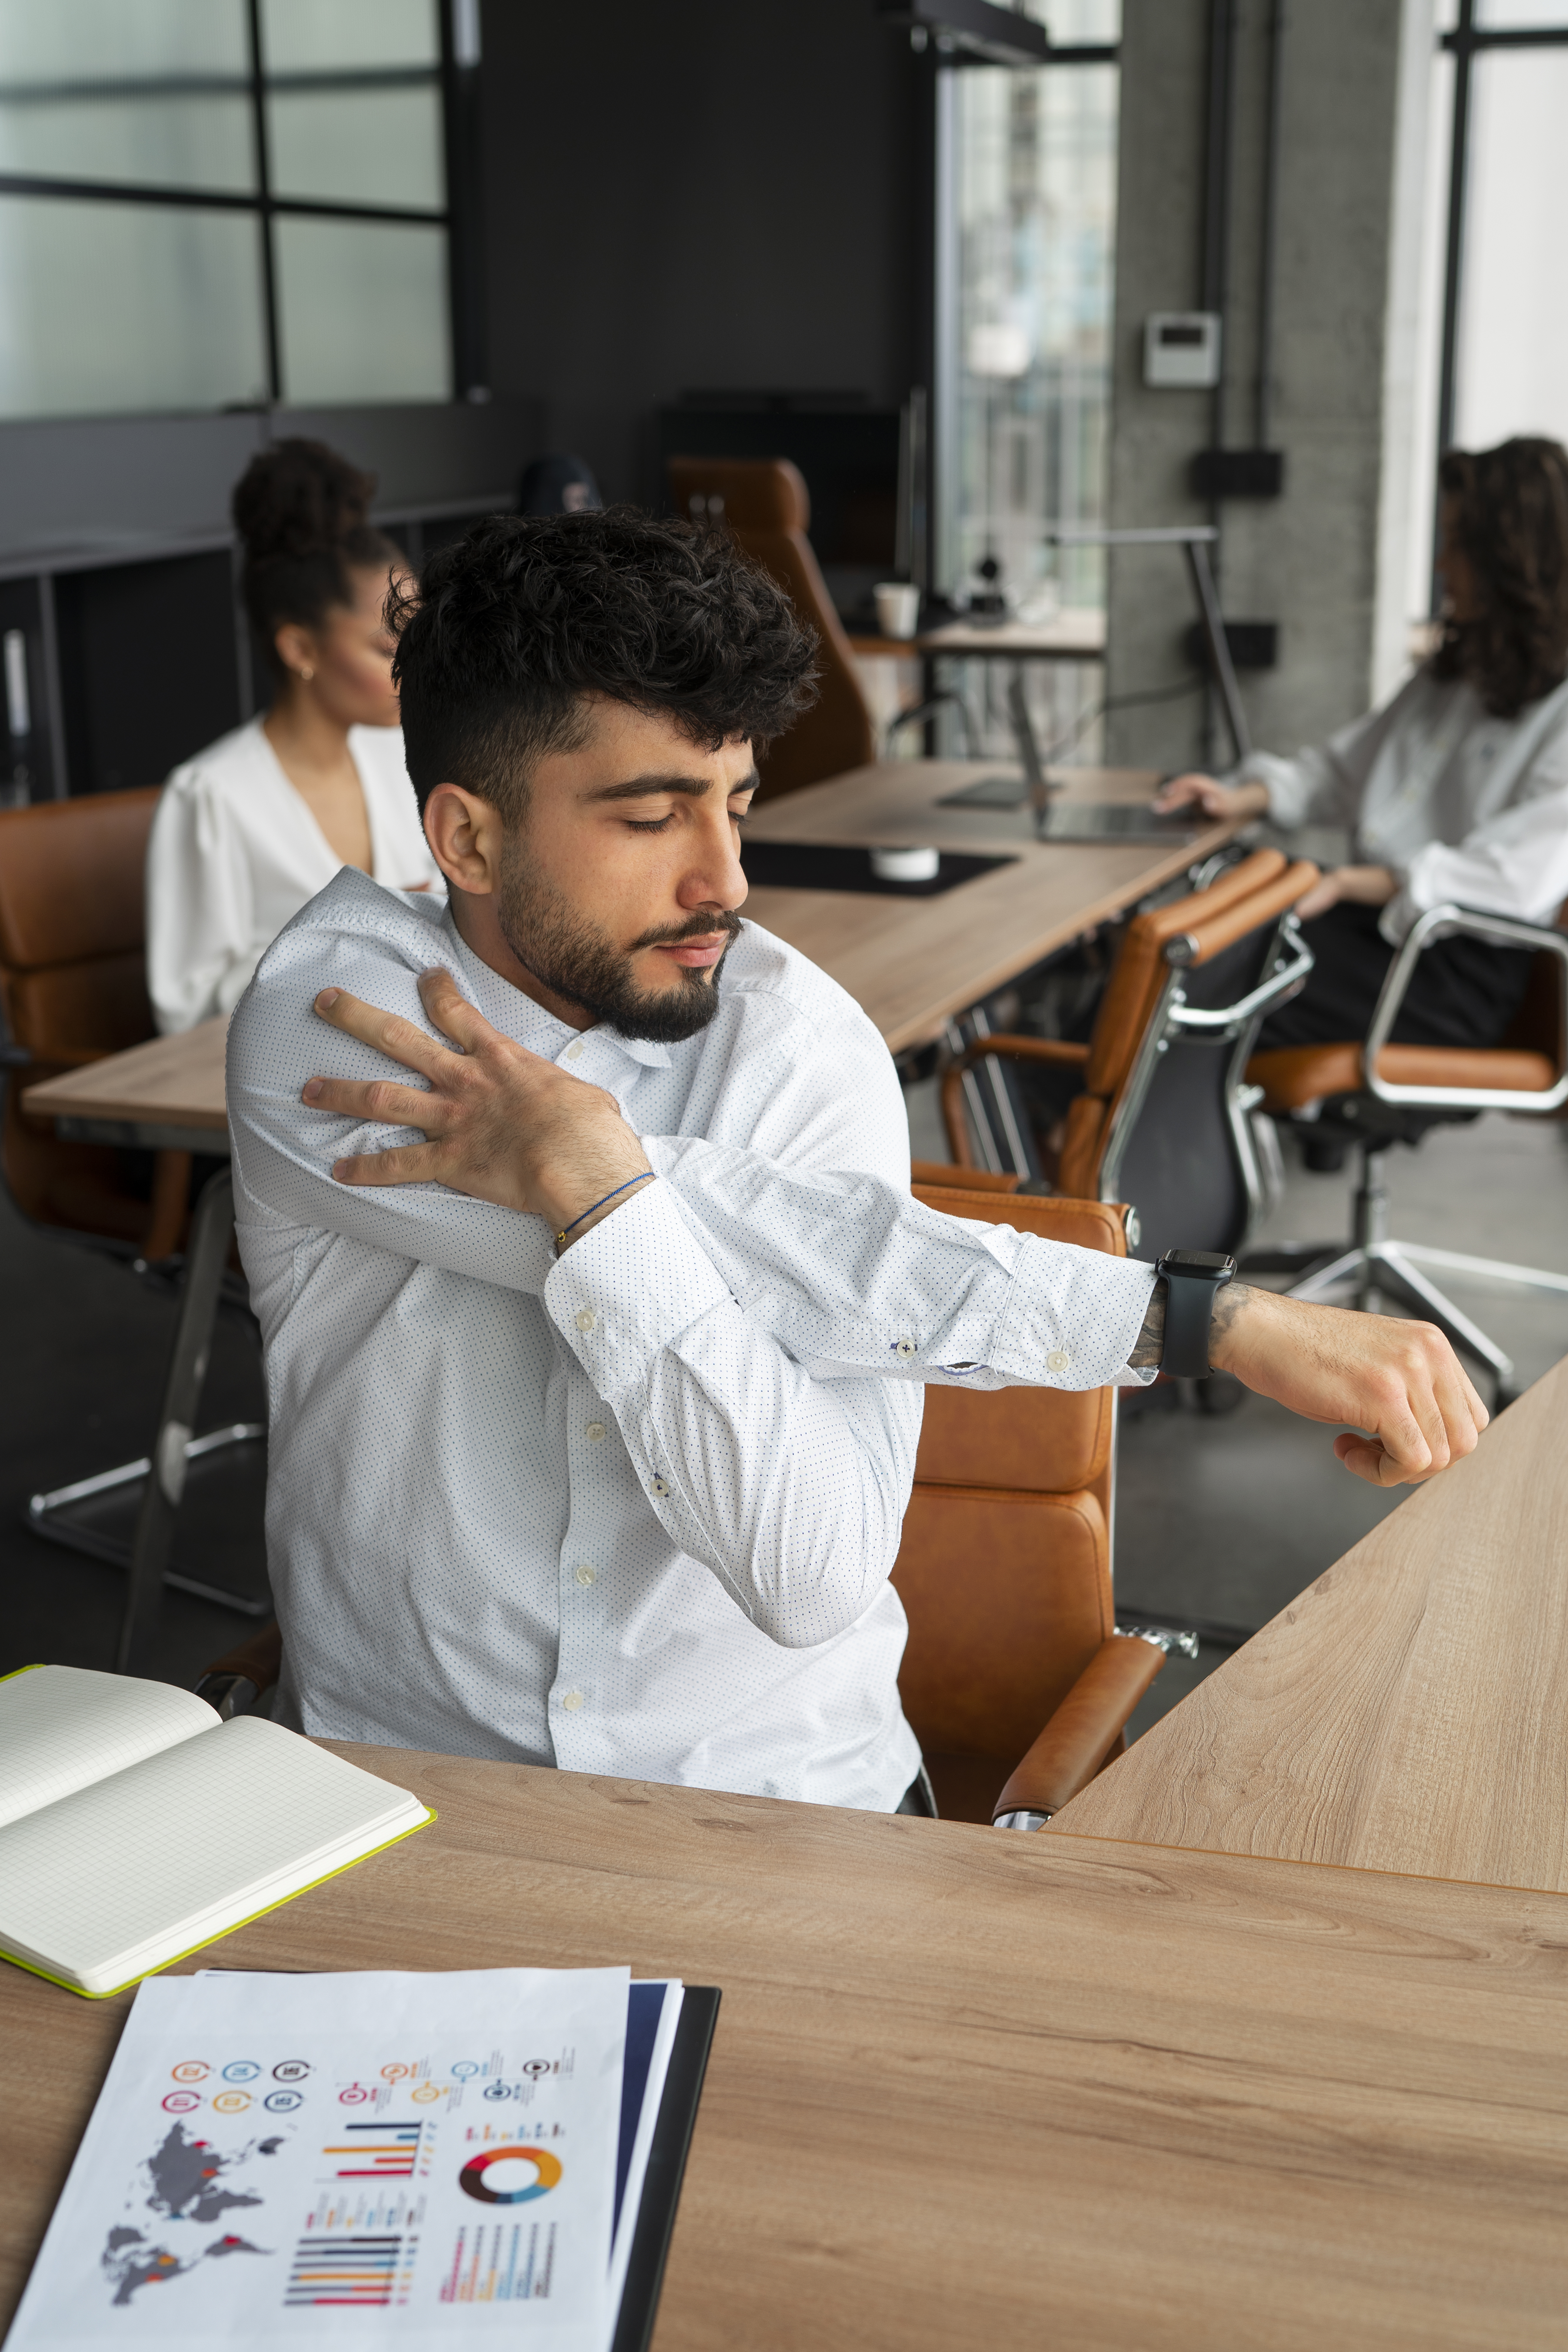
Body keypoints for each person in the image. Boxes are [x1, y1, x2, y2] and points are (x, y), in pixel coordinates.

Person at [226, 509, 1484, 1810]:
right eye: (652, 817)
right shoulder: (327, 1024)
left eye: (736, 805)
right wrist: (1190, 1317)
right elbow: (791, 1241)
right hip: (401, 1798)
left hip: (777, 1803)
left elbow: (811, 1572)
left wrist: (597, 1191)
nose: (725, 880)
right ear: (467, 840)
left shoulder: (804, 1048)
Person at [1156, 437, 1568, 1056]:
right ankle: (1061, 1106)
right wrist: (1246, 797)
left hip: (1447, 971)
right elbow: (1343, 772)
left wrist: (1354, 882)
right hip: (1376, 934)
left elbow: (1515, 879)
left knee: (1205, 981)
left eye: (1458, 544)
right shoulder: (1456, 673)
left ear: (1511, 558)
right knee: (1185, 949)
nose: (1442, 565)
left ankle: (1063, 1108)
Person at [145, 438, 442, 1034]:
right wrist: (356, 939)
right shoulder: (212, 796)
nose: (415, 665)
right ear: (300, 648)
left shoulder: (402, 755)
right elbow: (185, 1012)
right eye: (388, 648)